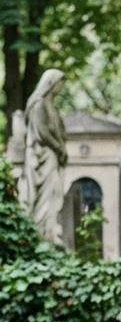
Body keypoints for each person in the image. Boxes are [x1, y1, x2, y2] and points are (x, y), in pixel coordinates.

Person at [20, 69, 68, 244]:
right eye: (59, 83)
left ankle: (50, 231)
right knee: (44, 196)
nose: (61, 87)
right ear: (51, 83)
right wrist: (60, 149)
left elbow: (60, 132)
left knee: (53, 194)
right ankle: (41, 233)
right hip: (43, 156)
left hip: (52, 156)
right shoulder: (39, 104)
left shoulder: (52, 106)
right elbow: (43, 134)